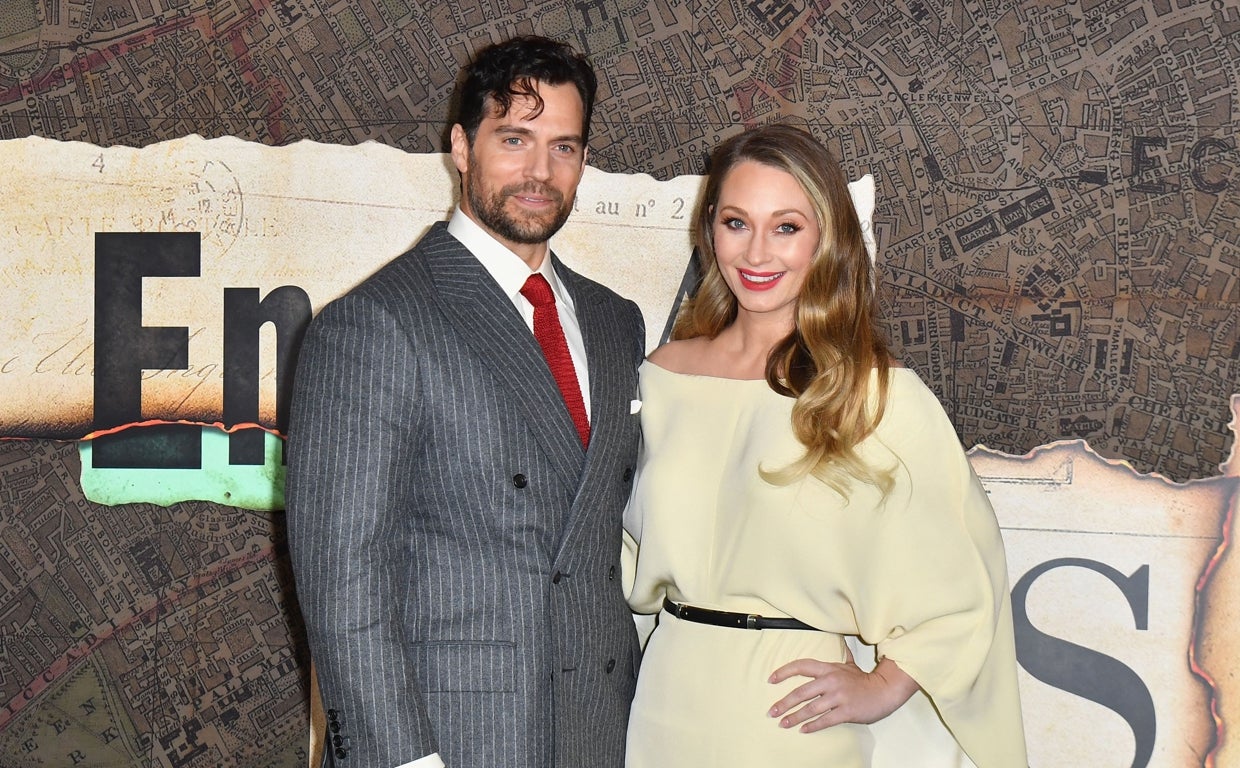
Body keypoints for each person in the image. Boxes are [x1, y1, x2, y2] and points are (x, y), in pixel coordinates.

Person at [286, 36, 645, 768]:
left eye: (564, 147)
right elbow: (343, 588)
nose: (540, 172)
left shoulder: (616, 323)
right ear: (461, 145)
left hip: (601, 734)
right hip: (454, 742)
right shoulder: (373, 325)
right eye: (514, 139)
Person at [622, 124, 1027, 767]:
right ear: (710, 231)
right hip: (663, 705)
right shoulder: (662, 376)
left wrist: (885, 684)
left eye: (786, 227)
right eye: (736, 222)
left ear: (827, 239)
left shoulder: (873, 394)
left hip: (793, 724)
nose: (757, 252)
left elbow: (963, 579)